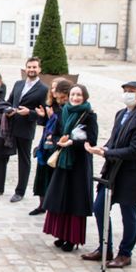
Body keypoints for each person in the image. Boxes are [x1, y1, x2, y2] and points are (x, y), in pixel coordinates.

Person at [83, 81, 136, 268]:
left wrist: (106, 153)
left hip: (130, 174)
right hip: (113, 171)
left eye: (132, 92)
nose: (128, 94)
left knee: (128, 214)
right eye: (125, 91)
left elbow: (134, 151)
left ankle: (125, 253)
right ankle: (105, 247)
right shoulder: (121, 114)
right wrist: (104, 147)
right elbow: (115, 140)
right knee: (99, 208)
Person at [42, 84, 98, 252]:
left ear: (85, 97)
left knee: (75, 200)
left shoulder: (89, 115)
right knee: (60, 197)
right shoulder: (63, 112)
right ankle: (60, 233)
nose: (75, 98)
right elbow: (57, 133)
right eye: (73, 94)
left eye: (79, 95)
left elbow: (92, 140)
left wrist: (73, 142)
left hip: (79, 163)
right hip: (63, 161)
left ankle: (72, 238)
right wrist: (59, 140)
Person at [0, 57, 48, 202]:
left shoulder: (43, 89)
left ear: (39, 69)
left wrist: (30, 113)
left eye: (34, 67)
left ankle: (20, 191)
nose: (31, 70)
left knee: (24, 160)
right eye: (29, 67)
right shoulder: (18, 84)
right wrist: (8, 109)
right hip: (9, 125)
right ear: (25, 69)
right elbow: (9, 100)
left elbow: (43, 115)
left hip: (25, 129)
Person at [29, 78, 72, 215]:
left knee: (52, 177)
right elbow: (46, 126)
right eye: (52, 88)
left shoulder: (65, 108)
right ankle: (42, 204)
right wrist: (43, 116)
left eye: (56, 88)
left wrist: (54, 117)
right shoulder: (50, 105)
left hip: (56, 146)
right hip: (45, 144)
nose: (53, 91)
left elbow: (63, 128)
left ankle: (51, 205)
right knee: (42, 174)